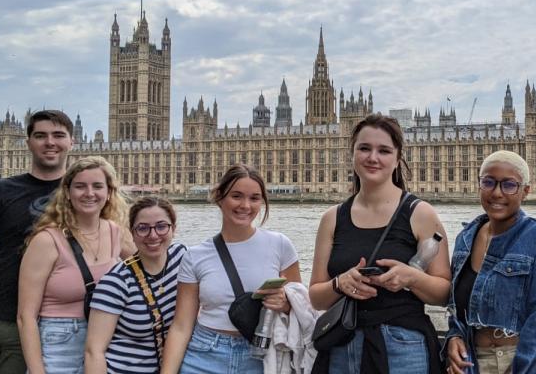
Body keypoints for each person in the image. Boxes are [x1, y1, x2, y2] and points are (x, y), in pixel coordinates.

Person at [309, 114, 452, 374]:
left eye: (384, 150)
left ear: (398, 159)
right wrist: (341, 283)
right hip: (343, 345)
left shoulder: (421, 213)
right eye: (364, 148)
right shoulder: (332, 218)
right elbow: (316, 298)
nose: (372, 157)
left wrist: (411, 278)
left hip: (404, 348)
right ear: (351, 154)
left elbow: (444, 293)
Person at [0, 110, 74, 373]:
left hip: (56, 330)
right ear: (27, 141)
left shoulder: (84, 195)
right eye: (40, 136)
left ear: (72, 142)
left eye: (58, 135)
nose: (50, 142)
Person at [445, 151, 536, 374]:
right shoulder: (465, 239)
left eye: (509, 185)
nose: (497, 192)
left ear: (525, 191)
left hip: (533, 363)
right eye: (488, 182)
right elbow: (458, 307)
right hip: (478, 362)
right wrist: (455, 336)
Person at [161, 164, 301, 374]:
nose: (245, 205)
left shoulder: (281, 245)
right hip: (204, 354)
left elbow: (302, 307)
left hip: (261, 356)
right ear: (220, 197)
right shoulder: (195, 255)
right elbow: (181, 326)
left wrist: (286, 303)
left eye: (254, 198)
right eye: (236, 196)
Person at [17, 156, 135, 374]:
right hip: (59, 341)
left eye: (97, 186)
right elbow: (26, 317)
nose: (89, 193)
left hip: (107, 341)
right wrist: (37, 371)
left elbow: (150, 265)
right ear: (68, 193)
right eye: (80, 186)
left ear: (109, 192)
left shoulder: (116, 232)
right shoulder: (46, 240)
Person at [85, 196, 187, 373]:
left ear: (174, 229)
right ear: (132, 233)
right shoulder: (116, 282)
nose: (153, 235)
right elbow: (94, 351)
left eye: (161, 226)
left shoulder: (182, 258)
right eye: (143, 228)